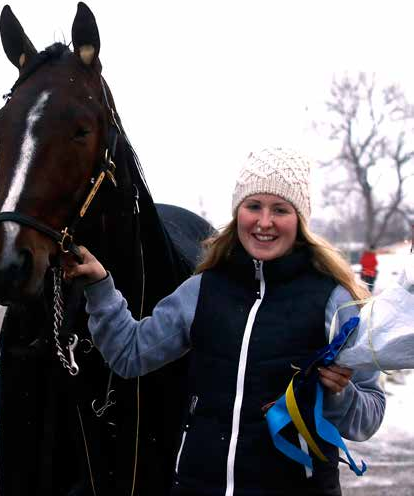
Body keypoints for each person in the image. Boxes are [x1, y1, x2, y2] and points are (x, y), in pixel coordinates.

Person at [62, 147, 385, 496]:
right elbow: (129, 354)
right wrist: (99, 285)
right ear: (237, 213)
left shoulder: (334, 302)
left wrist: (338, 394)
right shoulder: (202, 290)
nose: (264, 222)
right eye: (253, 206)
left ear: (300, 219)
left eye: (280, 209)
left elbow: (369, 417)